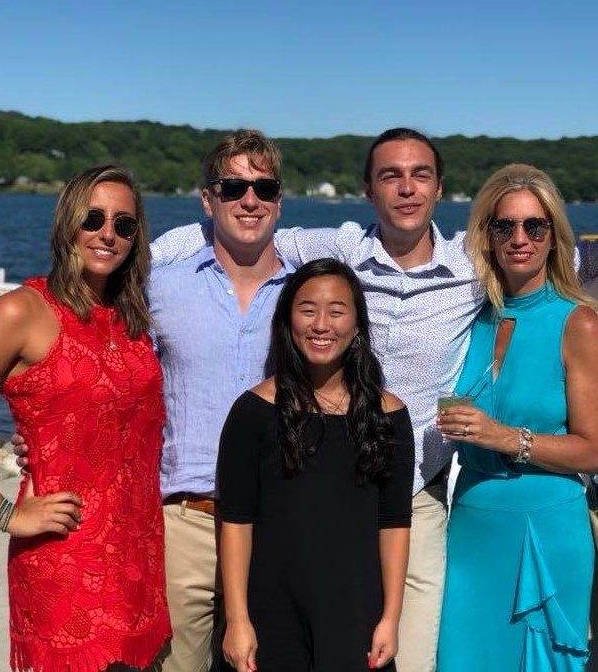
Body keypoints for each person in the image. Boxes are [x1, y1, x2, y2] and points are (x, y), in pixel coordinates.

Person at [151, 128, 598, 671]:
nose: (406, 189)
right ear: (369, 190)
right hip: (328, 494)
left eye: (420, 176)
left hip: (416, 499)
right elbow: (248, 232)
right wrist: (140, 254)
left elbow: (558, 273)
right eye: (391, 176)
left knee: (413, 660)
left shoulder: (473, 268)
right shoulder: (339, 248)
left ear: (439, 189)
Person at [0, 165, 172, 671]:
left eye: (124, 224)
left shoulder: (131, 318)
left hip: (139, 554)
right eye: (93, 218)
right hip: (64, 553)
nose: (108, 234)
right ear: (67, 224)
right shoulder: (21, 313)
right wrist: (5, 513)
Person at [436, 163, 598, 670]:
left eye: (535, 225)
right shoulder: (473, 315)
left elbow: (593, 450)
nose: (520, 238)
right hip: (470, 529)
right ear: (487, 236)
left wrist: (505, 438)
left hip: (547, 531)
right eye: (504, 226)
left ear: (555, 236)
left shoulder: (579, 323)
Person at [218, 258, 414, 672]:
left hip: (354, 612)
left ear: (357, 324)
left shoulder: (389, 415)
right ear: (288, 319)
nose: (321, 324)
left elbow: (394, 521)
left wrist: (390, 619)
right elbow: (236, 520)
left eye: (336, 311)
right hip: (271, 610)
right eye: (307, 310)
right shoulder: (253, 411)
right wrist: (237, 621)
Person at [148, 130, 293, 672]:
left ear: (279, 200)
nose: (249, 200)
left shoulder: (307, 296)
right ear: (207, 199)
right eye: (232, 187)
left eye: (263, 187)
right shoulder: (161, 287)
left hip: (276, 523)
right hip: (182, 522)